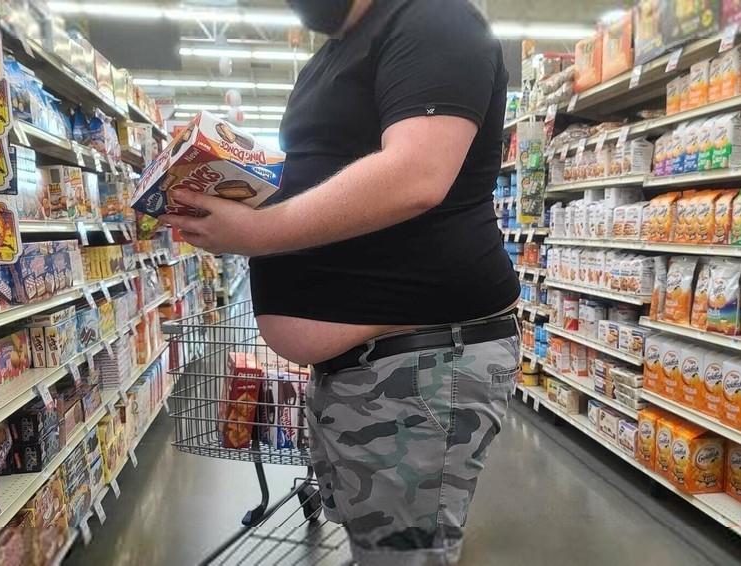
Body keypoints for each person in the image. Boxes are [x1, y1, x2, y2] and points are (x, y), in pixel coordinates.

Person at [161, 0, 519, 564]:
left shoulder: (432, 17)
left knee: (403, 558)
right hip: (366, 369)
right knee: (375, 550)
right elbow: (328, 168)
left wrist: (256, 232)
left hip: (416, 366)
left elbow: (416, 175)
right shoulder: (334, 54)